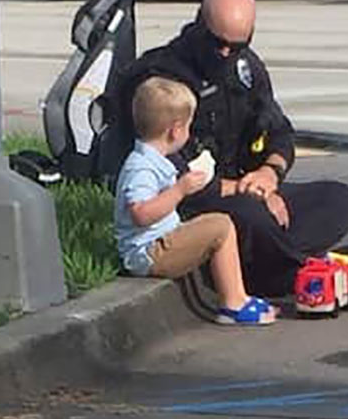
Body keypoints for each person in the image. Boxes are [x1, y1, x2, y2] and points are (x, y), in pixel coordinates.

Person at [124, 0, 348, 297]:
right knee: (252, 216)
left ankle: (275, 268)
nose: (226, 53)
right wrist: (246, 192)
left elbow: (279, 132)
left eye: (236, 46)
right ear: (200, 25)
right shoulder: (163, 80)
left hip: (252, 187)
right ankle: (300, 271)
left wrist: (269, 175)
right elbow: (173, 175)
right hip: (196, 201)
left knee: (337, 199)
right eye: (218, 44)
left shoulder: (246, 67)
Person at [115, 76, 277, 325]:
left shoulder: (154, 160)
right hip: (149, 253)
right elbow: (141, 213)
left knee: (216, 222)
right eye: (188, 127)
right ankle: (233, 303)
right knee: (221, 226)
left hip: (157, 243)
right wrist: (180, 190)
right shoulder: (142, 167)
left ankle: (239, 295)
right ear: (175, 130)